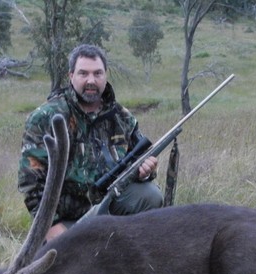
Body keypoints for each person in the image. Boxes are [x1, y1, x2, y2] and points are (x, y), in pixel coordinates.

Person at [18, 44, 163, 241]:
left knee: (150, 195)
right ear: (71, 76)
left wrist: (147, 171)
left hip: (109, 206)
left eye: (97, 73)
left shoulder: (122, 117)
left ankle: (129, 250)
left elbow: (140, 162)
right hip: (66, 218)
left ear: (106, 75)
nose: (91, 81)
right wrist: (52, 228)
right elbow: (31, 185)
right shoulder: (44, 118)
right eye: (83, 73)